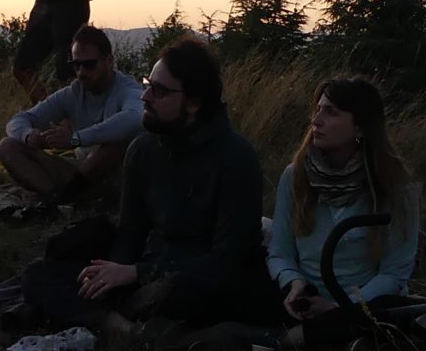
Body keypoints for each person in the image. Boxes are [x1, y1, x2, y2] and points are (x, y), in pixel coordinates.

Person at [70, 39, 275, 333]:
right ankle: (126, 323)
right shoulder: (143, 150)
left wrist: (138, 273)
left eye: (160, 91)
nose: (145, 97)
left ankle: (117, 320)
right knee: (47, 268)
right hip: (147, 271)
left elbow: (228, 258)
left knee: (181, 292)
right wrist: (110, 274)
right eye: (148, 85)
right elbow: (130, 233)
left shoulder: (236, 158)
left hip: (197, 280)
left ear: (193, 103)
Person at [267, 79, 422, 351]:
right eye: (317, 109)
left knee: (390, 309)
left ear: (360, 127)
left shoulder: (397, 188)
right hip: (307, 299)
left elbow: (394, 274)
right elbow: (280, 252)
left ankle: (299, 338)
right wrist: (294, 283)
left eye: (331, 112)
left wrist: (339, 306)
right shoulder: (295, 177)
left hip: (364, 302)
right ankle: (330, 336)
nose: (316, 120)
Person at [0, 24, 141, 208]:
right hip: (79, 172)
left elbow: (134, 118)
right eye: (76, 65)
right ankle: (59, 200)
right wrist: (29, 135)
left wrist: (76, 139)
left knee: (115, 143)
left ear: (109, 61)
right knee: (7, 147)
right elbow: (18, 120)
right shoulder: (73, 93)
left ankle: (69, 197)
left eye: (89, 65)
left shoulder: (128, 90)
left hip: (118, 176)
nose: (81, 73)